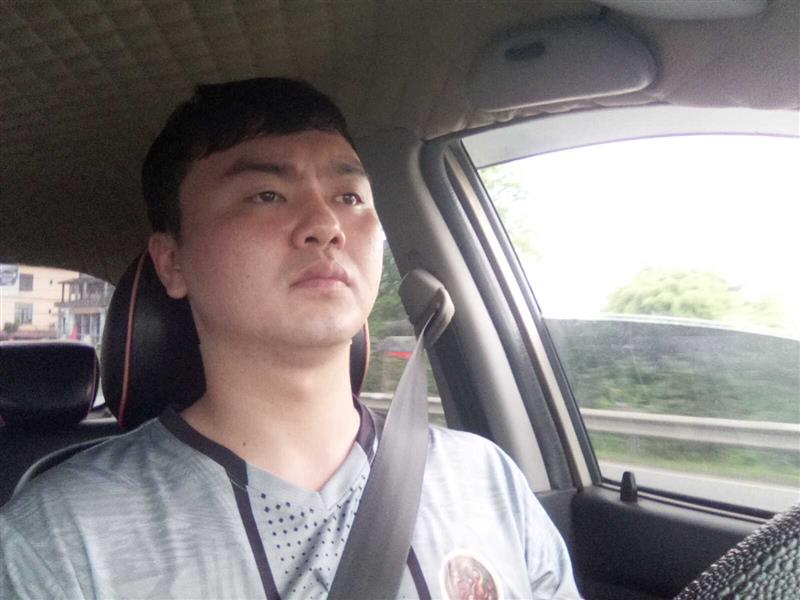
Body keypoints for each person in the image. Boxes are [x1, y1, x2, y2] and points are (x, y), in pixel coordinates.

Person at [0, 78, 581, 599]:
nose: (327, 225)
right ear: (173, 262)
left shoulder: (488, 482)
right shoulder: (59, 541)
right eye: (266, 195)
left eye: (349, 197)